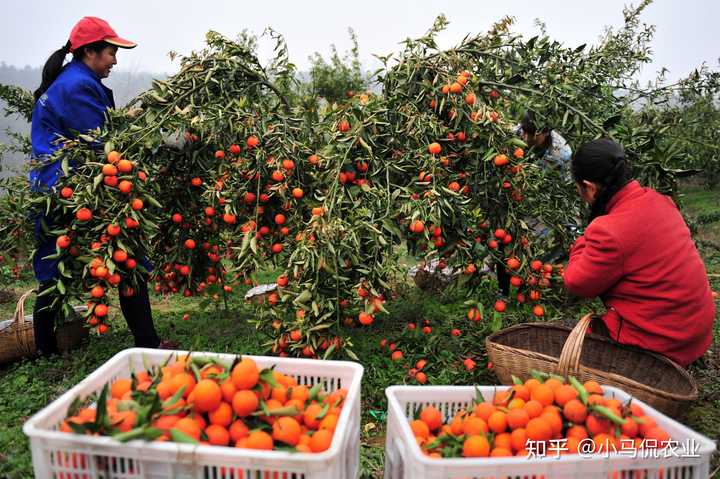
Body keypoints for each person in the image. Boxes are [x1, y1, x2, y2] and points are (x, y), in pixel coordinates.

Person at [30, 17, 169, 355]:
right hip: (69, 188)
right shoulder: (77, 86)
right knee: (128, 256)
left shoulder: (73, 80)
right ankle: (148, 343)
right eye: (110, 52)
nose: (115, 60)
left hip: (56, 186)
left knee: (53, 267)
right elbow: (103, 144)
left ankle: (46, 352)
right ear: (89, 52)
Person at [563, 138, 714, 367]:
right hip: (694, 332)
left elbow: (576, 283)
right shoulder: (659, 200)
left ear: (590, 187)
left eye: (579, 189)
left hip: (661, 343)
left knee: (562, 341)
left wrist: (582, 241)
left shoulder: (609, 230)